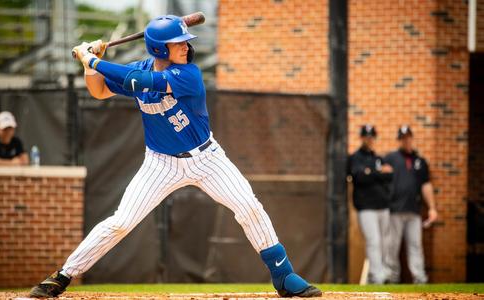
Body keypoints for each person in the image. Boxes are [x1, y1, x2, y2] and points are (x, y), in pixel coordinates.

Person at [29, 15, 321, 298]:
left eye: (185, 41)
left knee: (249, 207)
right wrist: (91, 68)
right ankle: (64, 274)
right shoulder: (141, 66)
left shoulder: (189, 75)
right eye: (178, 42)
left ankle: (283, 275)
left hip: (208, 160)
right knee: (121, 222)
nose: (186, 46)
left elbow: (138, 82)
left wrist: (93, 59)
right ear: (158, 49)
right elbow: (100, 91)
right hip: (161, 163)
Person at [384, 125, 438, 284]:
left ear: (411, 138)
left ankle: (420, 279)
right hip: (394, 210)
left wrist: (432, 208)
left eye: (408, 137)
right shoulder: (390, 158)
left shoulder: (420, 161)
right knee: (392, 246)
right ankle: (392, 278)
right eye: (403, 138)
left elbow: (426, 185)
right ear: (399, 140)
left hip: (414, 211)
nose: (406, 140)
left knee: (415, 246)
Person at [348, 125, 392, 284]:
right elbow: (359, 176)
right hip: (366, 207)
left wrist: (371, 172)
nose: (369, 139)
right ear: (361, 138)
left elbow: (390, 176)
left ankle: (384, 272)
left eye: (372, 136)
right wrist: (379, 173)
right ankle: (377, 275)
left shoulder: (378, 158)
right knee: (373, 241)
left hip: (383, 205)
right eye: (366, 136)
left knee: (386, 241)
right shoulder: (355, 157)